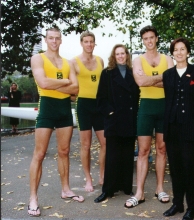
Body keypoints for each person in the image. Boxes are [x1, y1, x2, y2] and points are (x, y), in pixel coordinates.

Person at [28, 27, 84, 217]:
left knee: (64, 151)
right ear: (46, 40)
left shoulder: (68, 63)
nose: (54, 41)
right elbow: (43, 83)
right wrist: (66, 84)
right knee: (40, 153)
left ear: (61, 41)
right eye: (50, 38)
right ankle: (33, 198)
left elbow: (76, 91)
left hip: (64, 111)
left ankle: (66, 189)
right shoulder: (38, 59)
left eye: (57, 38)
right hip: (47, 108)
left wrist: (63, 86)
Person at [124, 25, 174, 208]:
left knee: (162, 150)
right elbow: (140, 82)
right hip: (145, 108)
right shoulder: (137, 60)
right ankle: (140, 192)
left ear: (157, 38)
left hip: (164, 108)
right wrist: (162, 78)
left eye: (152, 37)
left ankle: (160, 189)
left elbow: (172, 84)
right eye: (146, 39)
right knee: (143, 151)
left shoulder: (167, 58)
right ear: (143, 41)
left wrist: (150, 79)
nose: (149, 41)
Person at [162, 37, 194, 220]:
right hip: (172, 128)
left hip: (190, 128)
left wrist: (191, 118)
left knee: (190, 168)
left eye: (182, 49)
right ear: (172, 53)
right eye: (176, 49)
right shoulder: (168, 75)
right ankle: (177, 204)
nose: (179, 52)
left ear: (188, 52)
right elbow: (169, 101)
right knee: (175, 168)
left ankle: (192, 208)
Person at [94, 44, 140, 203]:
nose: (120, 56)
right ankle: (107, 189)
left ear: (127, 55)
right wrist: (110, 112)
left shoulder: (133, 72)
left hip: (129, 119)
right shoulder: (107, 73)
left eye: (123, 53)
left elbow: (137, 95)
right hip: (114, 120)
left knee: (127, 155)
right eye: (117, 54)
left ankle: (126, 186)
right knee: (112, 156)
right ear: (113, 56)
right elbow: (100, 98)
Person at [71, 31, 106, 192]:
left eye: (91, 41)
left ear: (94, 43)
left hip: (99, 105)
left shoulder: (100, 60)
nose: (89, 44)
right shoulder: (74, 62)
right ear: (81, 43)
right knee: (85, 144)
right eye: (86, 41)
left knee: (105, 142)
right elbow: (71, 86)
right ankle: (88, 179)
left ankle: (102, 175)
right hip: (83, 105)